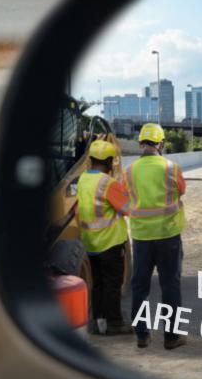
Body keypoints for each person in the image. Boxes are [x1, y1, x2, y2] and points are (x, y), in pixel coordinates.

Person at [125, 122, 188, 350]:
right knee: (170, 285)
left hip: (141, 237)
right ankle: (171, 337)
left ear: (141, 143)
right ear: (161, 143)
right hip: (168, 234)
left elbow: (127, 196)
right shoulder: (172, 167)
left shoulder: (129, 171)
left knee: (140, 287)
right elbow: (181, 190)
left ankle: (142, 336)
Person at [75, 139, 131, 336]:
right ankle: (114, 322)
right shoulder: (108, 183)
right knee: (112, 285)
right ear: (109, 162)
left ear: (90, 160)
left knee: (97, 284)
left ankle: (99, 322)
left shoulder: (83, 180)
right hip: (110, 243)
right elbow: (127, 209)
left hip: (91, 243)